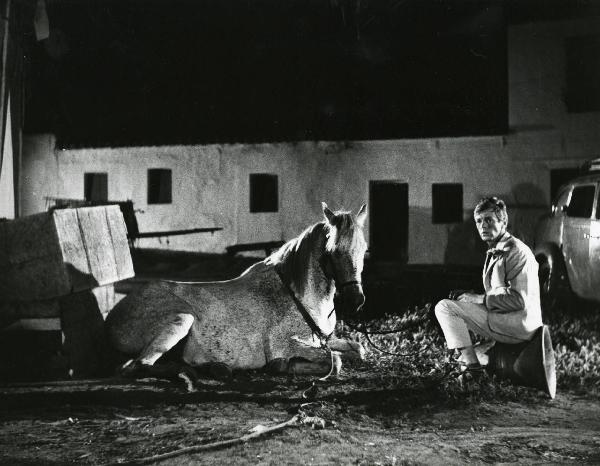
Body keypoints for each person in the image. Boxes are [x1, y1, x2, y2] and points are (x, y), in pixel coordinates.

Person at [434, 197, 543, 372]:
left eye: (489, 220)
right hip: (508, 318)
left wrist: (478, 298)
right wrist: (470, 297)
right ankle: (474, 358)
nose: (483, 226)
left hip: (518, 325)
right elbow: (500, 291)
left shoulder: (517, 251)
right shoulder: (498, 248)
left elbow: (519, 300)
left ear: (503, 222)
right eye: (479, 221)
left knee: (444, 308)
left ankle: (472, 368)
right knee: (468, 345)